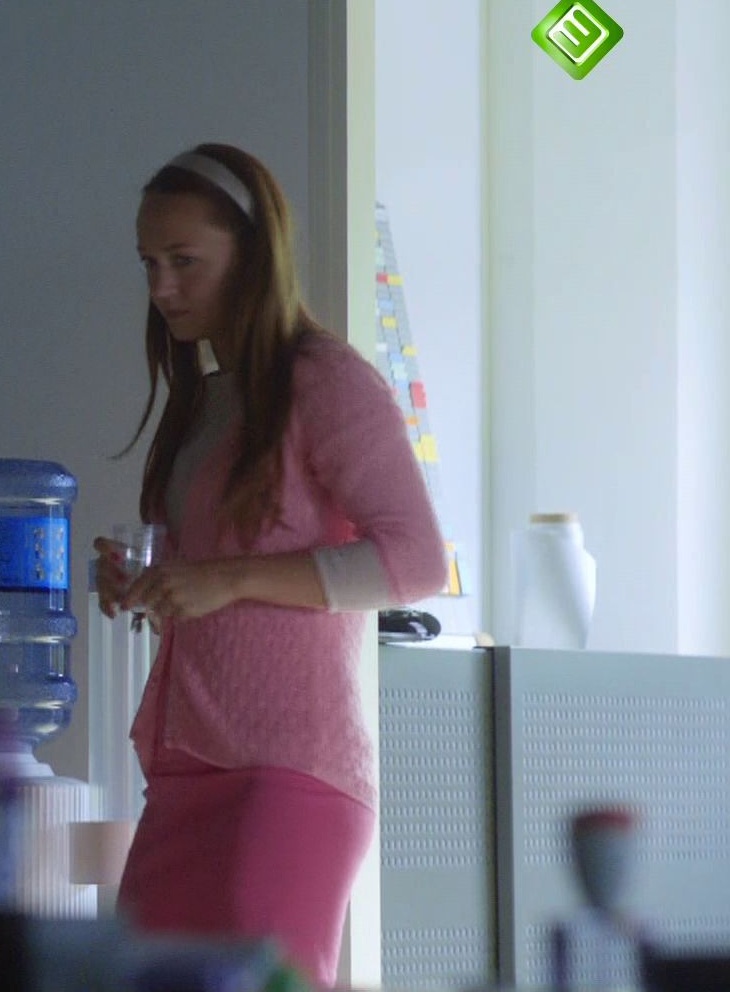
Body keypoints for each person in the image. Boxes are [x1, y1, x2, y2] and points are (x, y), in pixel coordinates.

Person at [94, 143, 445, 984]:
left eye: (184, 261)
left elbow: (417, 563)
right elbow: (205, 577)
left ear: (251, 255)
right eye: (148, 263)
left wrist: (230, 578)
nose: (161, 287)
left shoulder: (326, 382)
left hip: (289, 772)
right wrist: (148, 580)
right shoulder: (204, 402)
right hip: (186, 773)